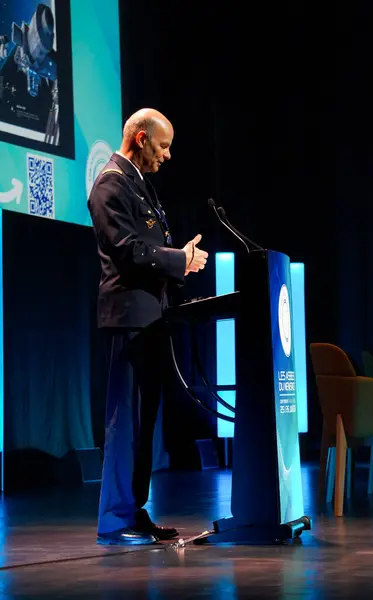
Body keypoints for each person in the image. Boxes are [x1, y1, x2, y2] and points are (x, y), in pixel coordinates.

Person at [87, 108, 208, 546]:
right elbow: (129, 252)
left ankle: (134, 511)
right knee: (125, 423)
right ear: (140, 139)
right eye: (161, 146)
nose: (167, 156)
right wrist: (179, 259)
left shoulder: (140, 185)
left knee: (144, 425)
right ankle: (115, 520)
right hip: (127, 320)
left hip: (152, 318)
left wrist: (181, 257)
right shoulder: (109, 184)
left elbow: (152, 246)